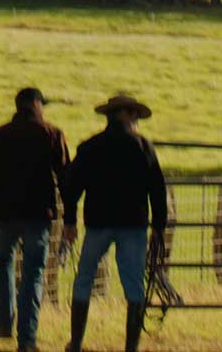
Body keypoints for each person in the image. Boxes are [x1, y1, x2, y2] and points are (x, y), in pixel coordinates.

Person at [60, 93, 167, 352]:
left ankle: (76, 342)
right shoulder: (143, 147)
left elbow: (72, 186)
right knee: (133, 283)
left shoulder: (91, 146)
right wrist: (159, 227)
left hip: (98, 222)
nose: (137, 121)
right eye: (135, 116)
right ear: (126, 115)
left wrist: (70, 221)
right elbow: (157, 189)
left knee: (84, 278)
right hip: (133, 224)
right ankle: (131, 347)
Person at [0, 86, 69, 349]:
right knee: (33, 273)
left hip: (5, 213)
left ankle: (4, 324)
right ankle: (27, 338)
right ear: (36, 105)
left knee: (3, 263)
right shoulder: (51, 134)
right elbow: (65, 178)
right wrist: (70, 217)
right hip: (38, 215)